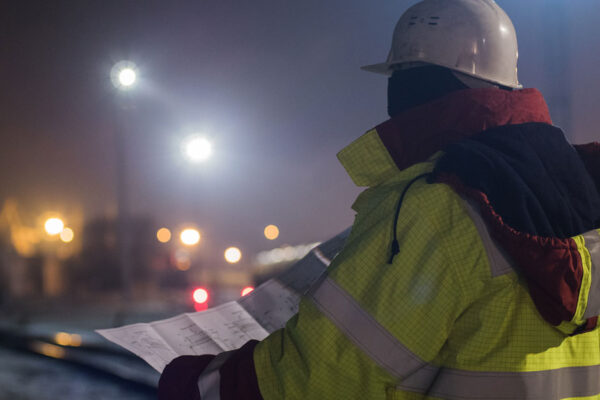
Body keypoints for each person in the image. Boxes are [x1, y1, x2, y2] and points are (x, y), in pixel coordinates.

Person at [159, 0, 600, 398]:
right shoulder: (581, 185)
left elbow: (322, 379)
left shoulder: (438, 207)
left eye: (404, 79)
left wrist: (198, 385)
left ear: (420, 87)